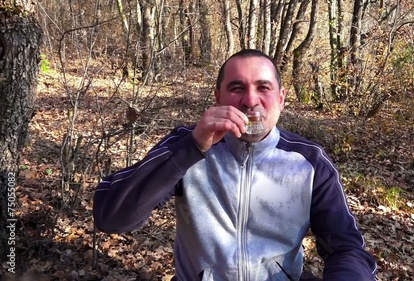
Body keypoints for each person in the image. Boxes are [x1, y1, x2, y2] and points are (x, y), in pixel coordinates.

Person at [93, 49, 377, 281]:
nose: (250, 100)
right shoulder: (186, 146)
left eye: (263, 87)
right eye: (237, 87)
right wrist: (191, 148)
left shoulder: (309, 161)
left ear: (281, 98)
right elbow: (112, 217)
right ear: (218, 97)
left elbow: (346, 248)